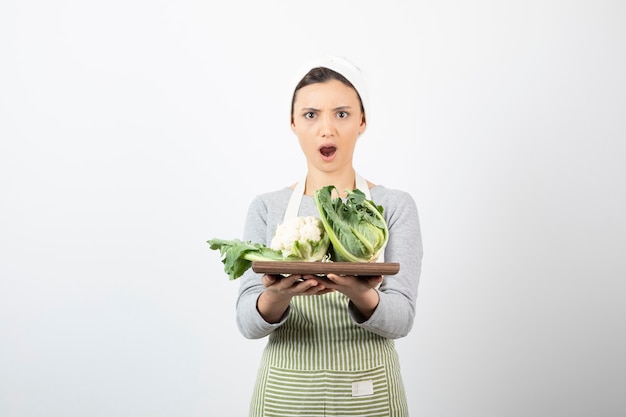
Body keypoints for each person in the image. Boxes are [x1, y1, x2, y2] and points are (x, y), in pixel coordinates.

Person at [235, 56, 423, 417]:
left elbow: (402, 319)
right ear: (292, 122)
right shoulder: (266, 208)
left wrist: (359, 292)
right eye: (310, 114)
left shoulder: (393, 205)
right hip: (286, 394)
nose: (326, 129)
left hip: (368, 392)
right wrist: (275, 296)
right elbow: (246, 321)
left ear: (362, 120)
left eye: (341, 114)